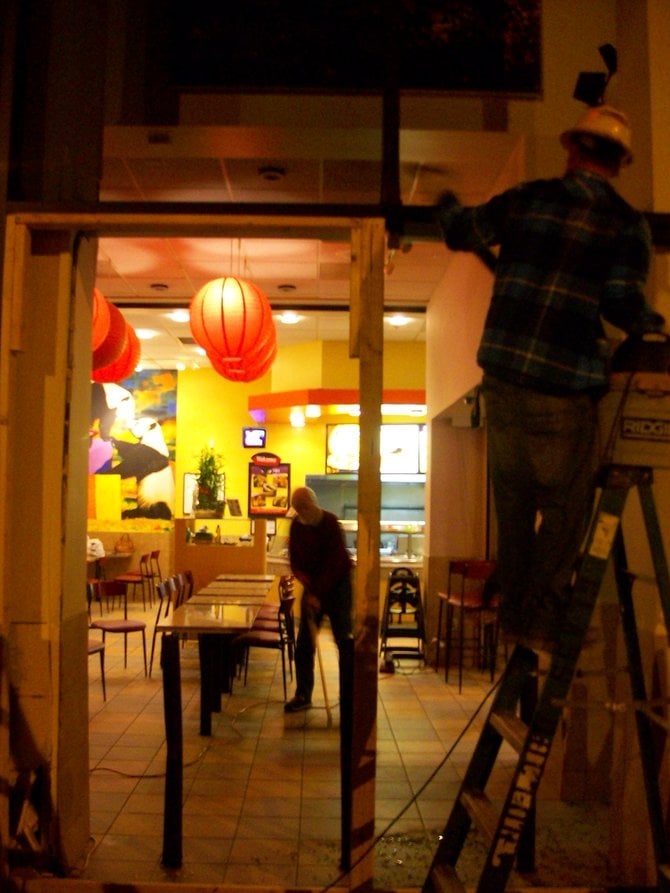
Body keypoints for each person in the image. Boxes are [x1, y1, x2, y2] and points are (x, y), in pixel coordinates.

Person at [436, 104, 665, 649]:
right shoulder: (626, 226)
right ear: (619, 162)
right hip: (563, 388)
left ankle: (515, 604)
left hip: (504, 379)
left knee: (513, 505)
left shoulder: (530, 197)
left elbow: (464, 231)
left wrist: (447, 211)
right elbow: (618, 302)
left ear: (574, 150)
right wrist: (653, 327)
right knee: (564, 510)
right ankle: (531, 613)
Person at [284, 486, 353, 712]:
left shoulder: (330, 523)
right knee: (304, 643)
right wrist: (307, 585)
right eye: (298, 508)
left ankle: (348, 694)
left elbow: (335, 563)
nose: (302, 512)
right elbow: (295, 561)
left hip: (338, 586)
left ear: (314, 503)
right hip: (313, 587)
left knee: (344, 641)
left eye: (304, 506)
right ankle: (303, 694)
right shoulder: (297, 526)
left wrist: (317, 593)